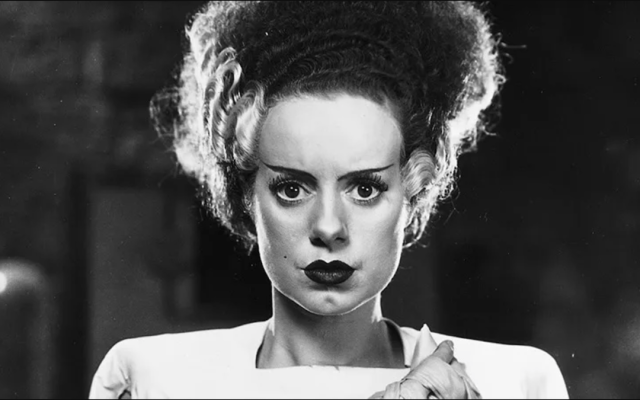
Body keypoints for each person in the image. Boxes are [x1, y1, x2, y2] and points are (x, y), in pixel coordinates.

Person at [89, 1, 569, 398]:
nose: (328, 227)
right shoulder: (154, 380)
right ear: (246, 198)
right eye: (291, 189)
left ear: (413, 191)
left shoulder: (514, 382)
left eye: (365, 189)